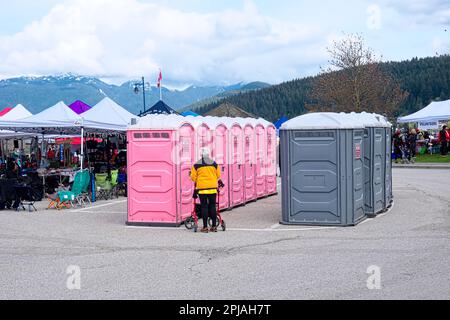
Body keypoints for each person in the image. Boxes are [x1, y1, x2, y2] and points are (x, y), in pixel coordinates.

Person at [190, 147, 221, 233]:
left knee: (204, 207)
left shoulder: (196, 165)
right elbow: (218, 175)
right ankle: (214, 226)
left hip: (202, 189)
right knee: (212, 206)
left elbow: (193, 177)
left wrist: (199, 180)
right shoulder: (214, 164)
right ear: (208, 154)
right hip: (213, 189)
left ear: (201, 155)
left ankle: (205, 227)